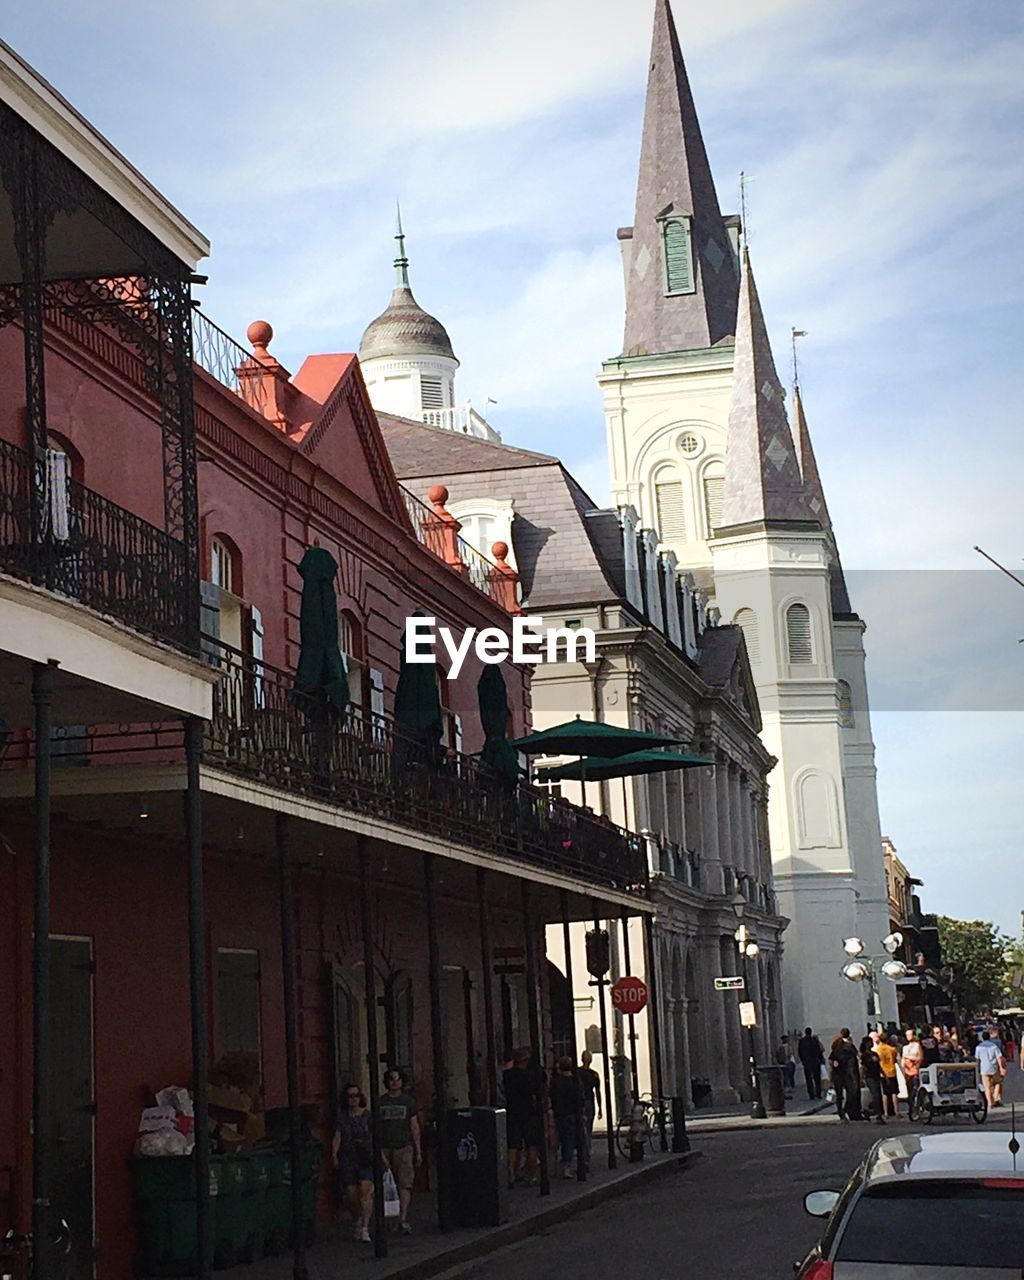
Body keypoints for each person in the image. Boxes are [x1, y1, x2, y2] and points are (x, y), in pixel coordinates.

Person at [378, 1069, 421, 1235]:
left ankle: (402, 1219)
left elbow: (414, 1127)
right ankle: (390, 1219)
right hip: (385, 1147)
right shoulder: (381, 1102)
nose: (394, 1082)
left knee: (404, 1183)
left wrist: (418, 1150)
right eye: (391, 1079)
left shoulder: (408, 1102)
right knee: (387, 1185)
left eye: (397, 1079)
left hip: (404, 1146)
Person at [332, 1083, 374, 1242]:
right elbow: (337, 1136)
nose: (354, 1099)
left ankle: (365, 1227)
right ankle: (357, 1218)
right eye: (350, 1096)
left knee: (365, 1192)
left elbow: (374, 1137)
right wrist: (334, 1154)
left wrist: (381, 1157)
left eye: (356, 1095)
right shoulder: (342, 1118)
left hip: (365, 1158)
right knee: (352, 1195)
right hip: (348, 1158)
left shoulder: (368, 1116)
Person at [502, 1047, 543, 1188]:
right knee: (531, 1145)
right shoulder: (530, 1076)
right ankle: (531, 1176)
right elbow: (537, 1092)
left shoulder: (507, 1076)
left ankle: (511, 1174)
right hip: (528, 1112)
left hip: (513, 1111)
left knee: (513, 1145)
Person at [549, 1055, 581, 1179]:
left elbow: (552, 1096)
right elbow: (579, 1098)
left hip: (559, 1113)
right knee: (570, 1140)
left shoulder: (556, 1082)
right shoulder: (574, 1081)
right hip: (571, 1113)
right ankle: (567, 1166)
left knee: (560, 1139)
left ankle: (559, 1165)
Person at [829, 1029, 861, 1122]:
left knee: (839, 1095)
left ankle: (841, 1111)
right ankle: (845, 1110)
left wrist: (831, 1075)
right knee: (851, 1093)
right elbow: (858, 1056)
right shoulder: (850, 1046)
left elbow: (831, 1062)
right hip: (847, 1074)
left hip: (838, 1074)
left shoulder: (836, 1047)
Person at [578, 1049, 602, 1167]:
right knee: (587, 1129)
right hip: (589, 1102)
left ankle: (584, 1152)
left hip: (580, 1103)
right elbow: (598, 1092)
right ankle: (586, 1152)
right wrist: (600, 1107)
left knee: (582, 1129)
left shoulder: (577, 1072)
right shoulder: (594, 1074)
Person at [975, 1031, 1006, 1108]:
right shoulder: (994, 1046)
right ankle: (996, 1097)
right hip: (994, 1068)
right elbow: (999, 1058)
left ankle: (990, 1103)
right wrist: (1001, 1067)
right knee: (998, 1082)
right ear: (989, 1037)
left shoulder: (979, 1047)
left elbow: (977, 1059)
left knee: (987, 1086)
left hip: (984, 1069)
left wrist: (977, 1068)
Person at [859, 1035, 886, 1125]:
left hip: (876, 1076)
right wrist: (861, 1077)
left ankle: (869, 1111)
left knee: (878, 1095)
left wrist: (884, 1074)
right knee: (876, 1095)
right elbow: (863, 1067)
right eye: (869, 1042)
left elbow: (878, 1066)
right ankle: (878, 1115)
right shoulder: (864, 1055)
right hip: (869, 1077)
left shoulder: (874, 1054)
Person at [873, 1032, 900, 1118]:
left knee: (885, 1094)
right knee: (894, 1093)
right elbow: (895, 1060)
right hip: (892, 1072)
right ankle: (897, 1112)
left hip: (883, 1073)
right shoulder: (892, 1049)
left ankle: (885, 1113)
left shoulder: (877, 1050)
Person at [798, 1027, 825, 1100]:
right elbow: (820, 1050)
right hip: (815, 1062)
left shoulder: (802, 1041)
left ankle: (811, 1094)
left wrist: (803, 1061)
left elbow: (799, 1052)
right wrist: (820, 1059)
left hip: (807, 1063)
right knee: (817, 1079)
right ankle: (818, 1093)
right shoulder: (815, 1040)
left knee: (808, 1079)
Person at [900, 1028, 924, 1112]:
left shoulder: (917, 1045)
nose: (908, 1036)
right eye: (907, 1035)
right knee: (909, 1090)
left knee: (915, 1089)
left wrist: (912, 1060)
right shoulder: (905, 1047)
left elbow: (920, 1057)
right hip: (907, 1071)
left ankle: (918, 1105)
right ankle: (911, 1107)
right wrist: (903, 1067)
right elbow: (903, 1058)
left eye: (910, 1035)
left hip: (915, 1070)